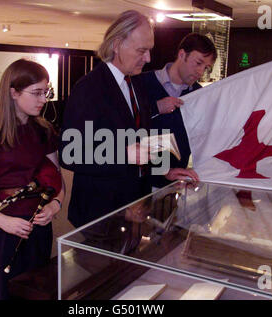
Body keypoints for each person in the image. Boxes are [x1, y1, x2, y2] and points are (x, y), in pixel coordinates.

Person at [0, 59, 65, 300]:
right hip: (1, 230)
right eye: (37, 93)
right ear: (14, 92)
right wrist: (3, 221)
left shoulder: (44, 130)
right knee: (1, 294)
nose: (44, 99)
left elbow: (56, 180)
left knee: (36, 293)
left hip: (38, 228)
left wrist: (55, 205)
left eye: (46, 92)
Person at [59, 10, 154, 228]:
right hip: (100, 214)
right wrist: (123, 154)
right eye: (142, 50)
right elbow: (70, 153)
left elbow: (139, 138)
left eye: (149, 50)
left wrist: (166, 170)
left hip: (134, 206)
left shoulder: (136, 82)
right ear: (117, 45)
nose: (148, 58)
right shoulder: (88, 88)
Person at [138, 33, 217, 188]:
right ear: (182, 54)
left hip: (176, 185)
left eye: (206, 67)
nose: (201, 72)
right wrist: (155, 108)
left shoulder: (198, 95)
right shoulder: (141, 83)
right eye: (198, 63)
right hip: (139, 184)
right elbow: (124, 127)